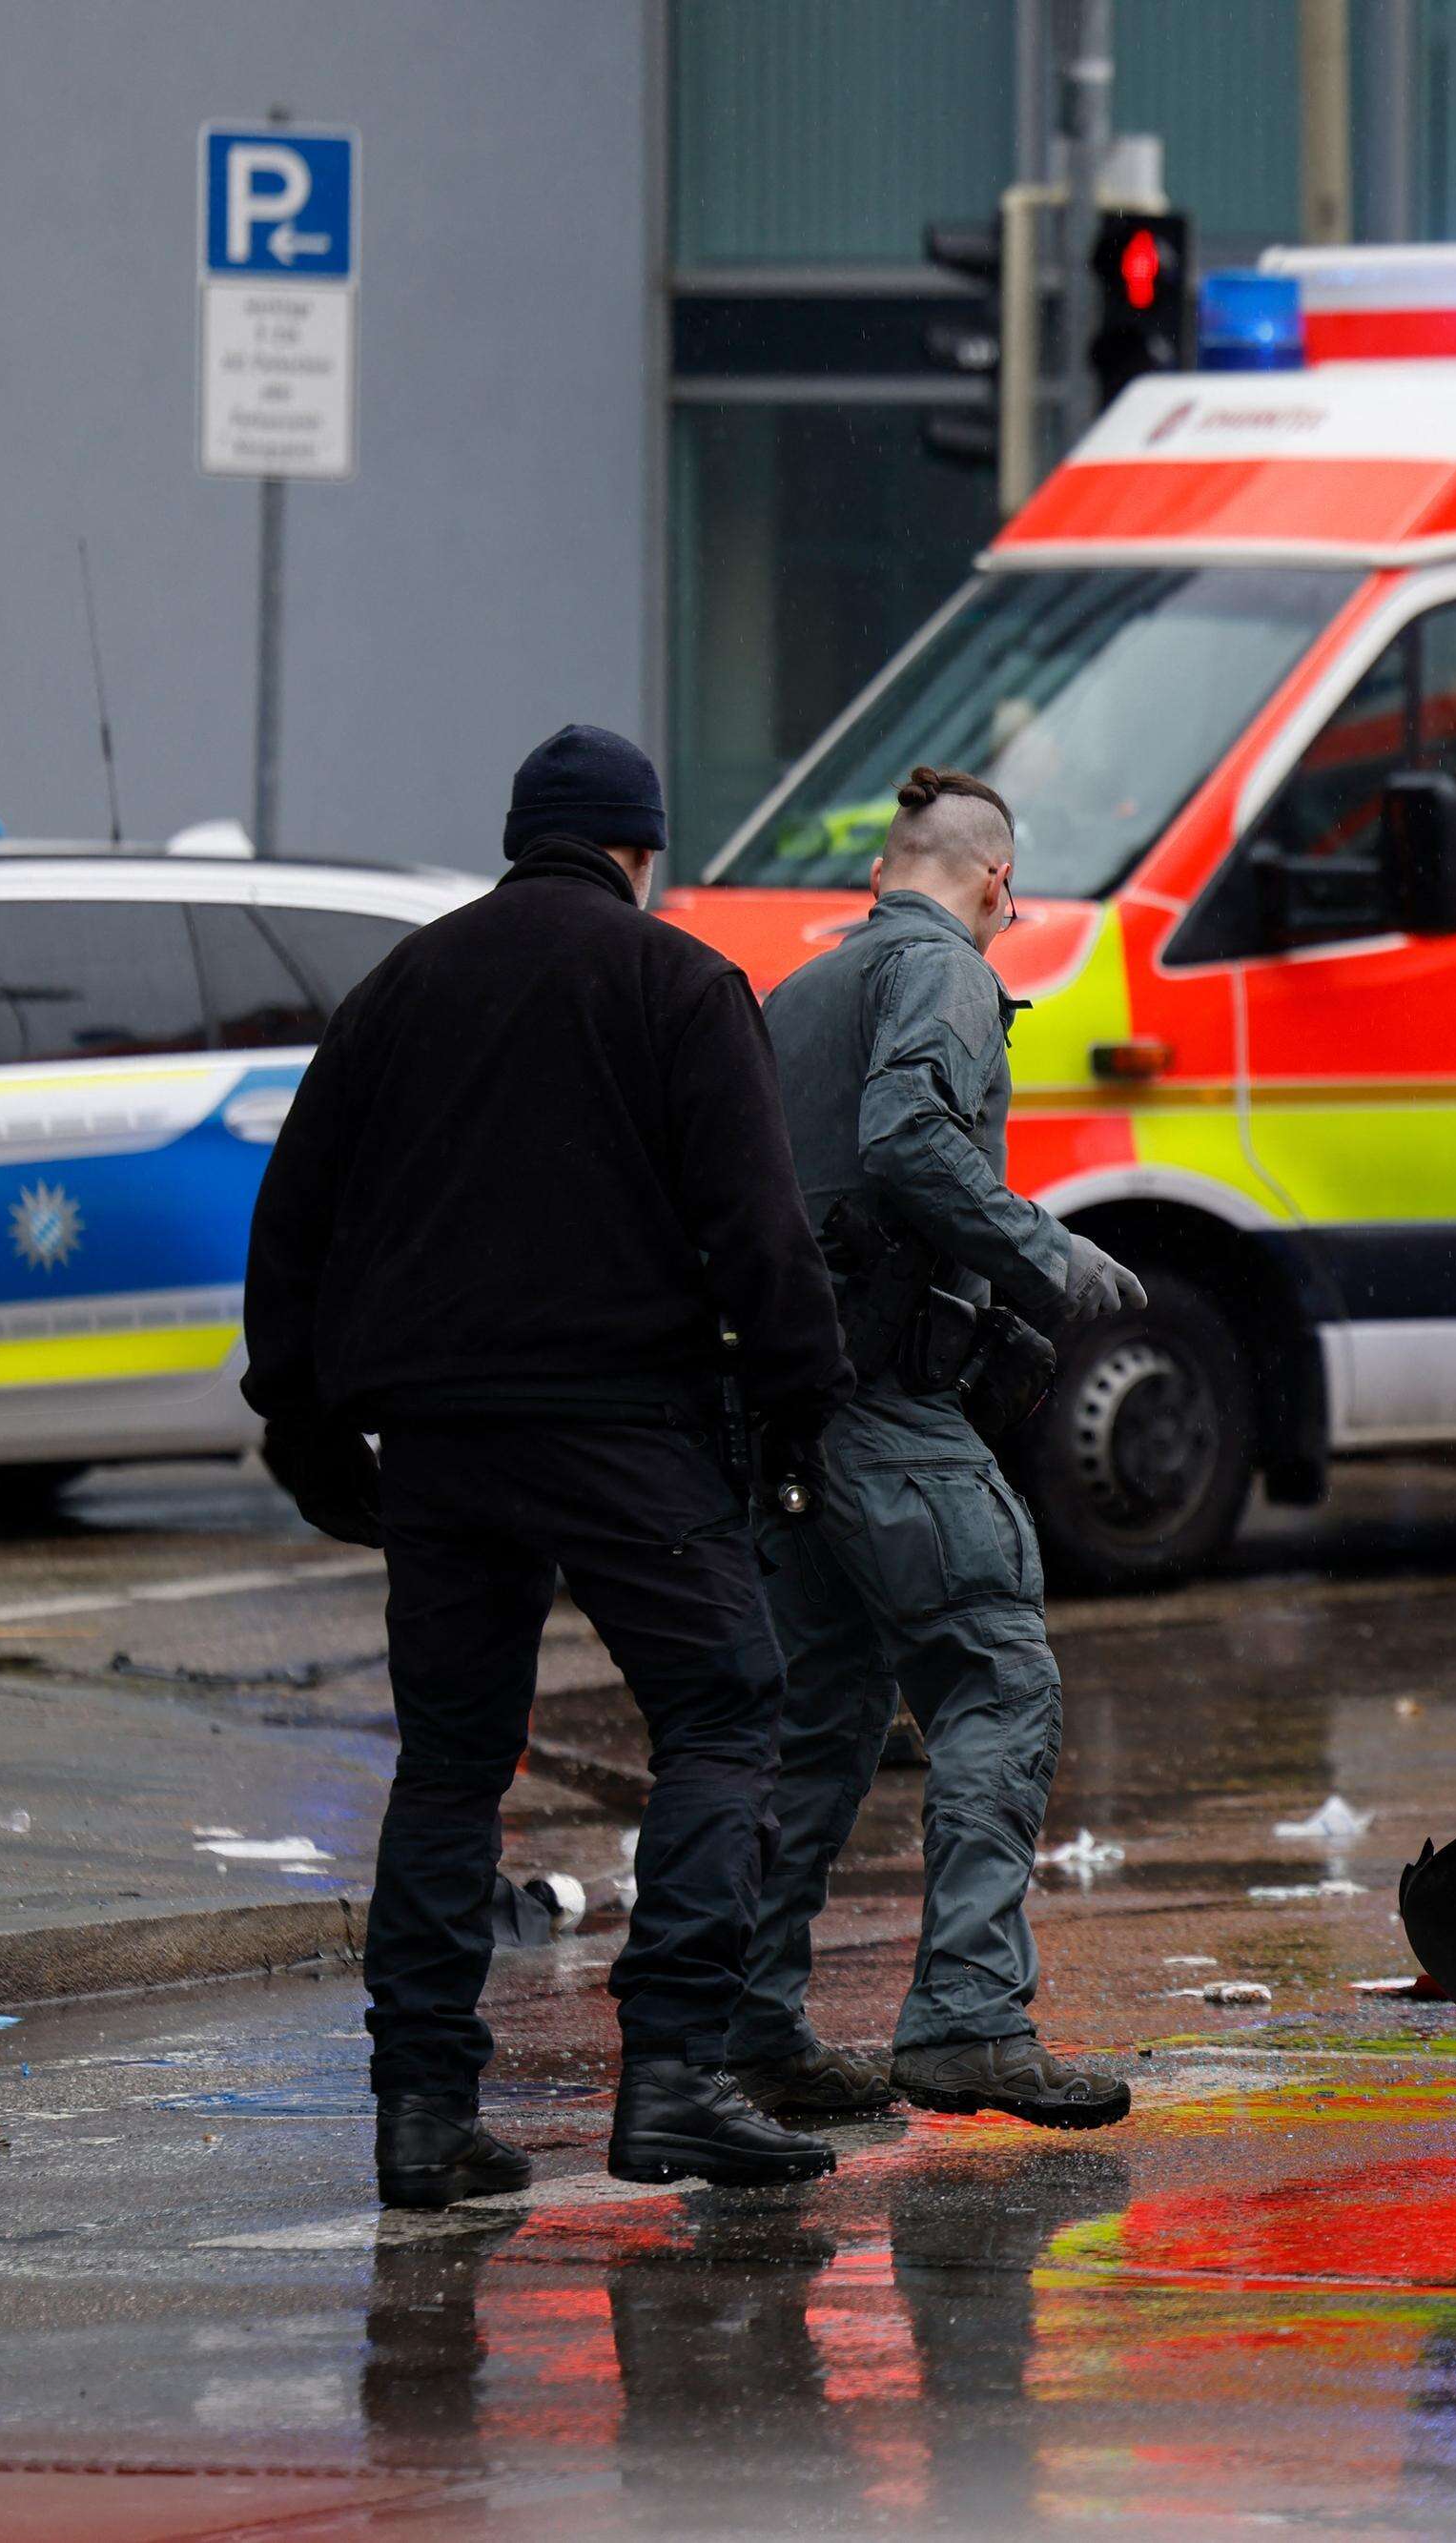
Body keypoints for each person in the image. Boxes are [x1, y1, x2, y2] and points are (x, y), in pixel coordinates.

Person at [244, 723, 853, 2206]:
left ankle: (422, 2115)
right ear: (642, 850)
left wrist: (307, 1423)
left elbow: (295, 1213)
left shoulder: (403, 986)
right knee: (722, 1709)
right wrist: (804, 1405)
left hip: (441, 1435)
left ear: (523, 836)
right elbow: (758, 1229)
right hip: (623, 1422)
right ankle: (680, 2078)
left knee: (452, 1762)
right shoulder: (677, 983)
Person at [727, 765, 1147, 2128]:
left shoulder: (797, 999)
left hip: (784, 1418)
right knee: (995, 1679)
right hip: (886, 1411)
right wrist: (1051, 1259)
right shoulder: (950, 973)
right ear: (991, 883)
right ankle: (967, 2017)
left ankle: (752, 2027)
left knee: (824, 1716)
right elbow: (908, 1139)